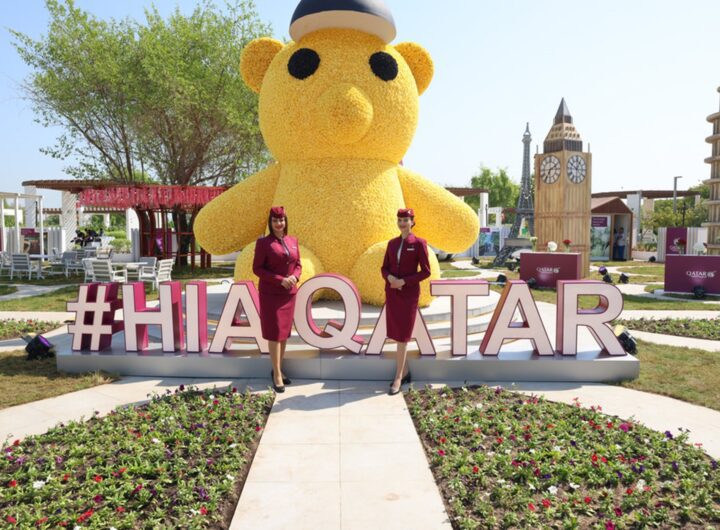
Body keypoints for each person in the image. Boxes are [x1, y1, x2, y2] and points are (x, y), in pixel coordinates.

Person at [381, 208, 432, 395]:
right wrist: (390, 279)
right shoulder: (392, 244)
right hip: (393, 293)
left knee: (403, 335)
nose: (402, 223)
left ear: (412, 221)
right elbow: (384, 268)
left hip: (409, 295)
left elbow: (426, 271)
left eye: (406, 220)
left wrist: (404, 281)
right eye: (400, 220)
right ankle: (406, 371)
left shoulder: (419, 243)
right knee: (396, 333)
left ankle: (397, 378)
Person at [253, 206, 302, 393]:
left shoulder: (293, 241)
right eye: (275, 221)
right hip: (271, 294)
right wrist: (280, 280)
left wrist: (295, 278)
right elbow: (258, 269)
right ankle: (277, 375)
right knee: (274, 334)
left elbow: (298, 264)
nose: (279, 224)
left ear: (285, 221)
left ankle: (278, 369)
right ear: (270, 223)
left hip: (289, 294)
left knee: (283, 334)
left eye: (281, 220)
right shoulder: (264, 243)